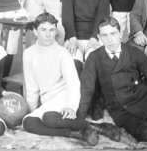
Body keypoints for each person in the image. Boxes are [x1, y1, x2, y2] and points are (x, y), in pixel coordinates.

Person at [22, 13, 120, 146]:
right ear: (35, 31)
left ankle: (100, 128)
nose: (48, 34)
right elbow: (32, 86)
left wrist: (70, 107)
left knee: (49, 118)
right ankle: (77, 134)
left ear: (56, 31)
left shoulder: (62, 53)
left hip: (66, 97)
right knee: (28, 122)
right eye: (43, 30)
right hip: (48, 101)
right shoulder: (28, 54)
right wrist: (31, 110)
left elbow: (73, 84)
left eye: (51, 30)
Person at [62, 0, 110, 75]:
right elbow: (67, 17)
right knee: (73, 67)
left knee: (94, 66)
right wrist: (72, 38)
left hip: (95, 37)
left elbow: (102, 17)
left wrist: (94, 38)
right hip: (75, 37)